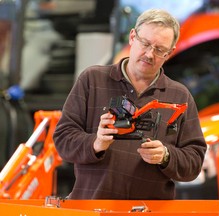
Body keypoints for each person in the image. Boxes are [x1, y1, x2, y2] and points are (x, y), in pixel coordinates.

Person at [53, 8, 207, 200]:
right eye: (145, 43)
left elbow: (194, 161)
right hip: (92, 207)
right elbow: (62, 139)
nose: (150, 54)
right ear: (132, 37)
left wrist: (166, 156)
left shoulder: (179, 96)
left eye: (160, 50)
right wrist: (96, 143)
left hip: (150, 212)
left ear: (170, 53)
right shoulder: (92, 80)